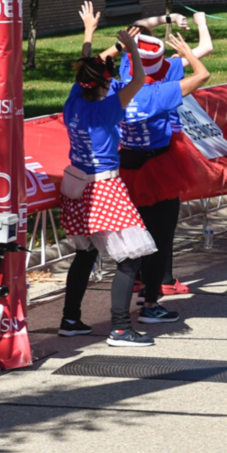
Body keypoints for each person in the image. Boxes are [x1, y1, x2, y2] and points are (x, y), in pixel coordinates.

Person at [58, 23, 158, 347]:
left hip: (77, 189)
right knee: (130, 258)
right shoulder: (105, 110)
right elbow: (140, 80)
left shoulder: (74, 101)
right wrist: (131, 49)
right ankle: (119, 328)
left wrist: (88, 33)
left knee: (84, 254)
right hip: (105, 190)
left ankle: (70, 319)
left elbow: (87, 65)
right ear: (103, 84)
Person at [115, 27, 210, 325]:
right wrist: (188, 55)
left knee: (133, 239)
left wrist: (121, 46)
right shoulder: (159, 94)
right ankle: (151, 303)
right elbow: (203, 76)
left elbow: (90, 66)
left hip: (125, 165)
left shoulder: (116, 87)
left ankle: (131, 299)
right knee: (159, 238)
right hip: (160, 167)